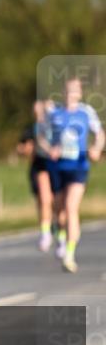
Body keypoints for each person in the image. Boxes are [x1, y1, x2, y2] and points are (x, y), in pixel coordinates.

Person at [41, 77, 104, 273]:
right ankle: (60, 236)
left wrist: (96, 148)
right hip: (59, 167)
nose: (71, 94)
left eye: (75, 90)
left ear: (80, 93)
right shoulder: (55, 113)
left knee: (70, 208)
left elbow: (100, 134)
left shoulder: (86, 113)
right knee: (59, 211)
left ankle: (69, 255)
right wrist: (50, 148)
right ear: (64, 92)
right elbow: (41, 136)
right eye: (69, 90)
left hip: (79, 167)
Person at [17, 99, 56, 252]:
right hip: (39, 166)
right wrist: (27, 149)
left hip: (55, 166)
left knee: (55, 201)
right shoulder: (31, 129)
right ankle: (45, 231)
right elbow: (20, 147)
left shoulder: (54, 127)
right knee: (43, 200)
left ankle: (55, 227)